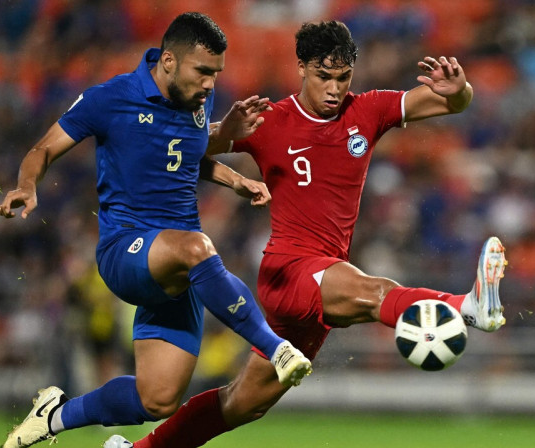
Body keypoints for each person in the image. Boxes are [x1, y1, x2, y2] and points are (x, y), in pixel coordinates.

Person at [110, 20, 508, 448]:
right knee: (375, 291)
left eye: (343, 78)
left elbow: (451, 103)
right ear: (301, 68)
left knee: (243, 403)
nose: (334, 89)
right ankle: (467, 307)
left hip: (322, 279)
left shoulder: (368, 109)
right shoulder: (270, 120)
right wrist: (226, 133)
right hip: (289, 271)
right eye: (323, 77)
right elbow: (183, 147)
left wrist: (460, 89)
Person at [0, 12, 312, 448]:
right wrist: (26, 187)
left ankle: (55, 415)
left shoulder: (196, 104)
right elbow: (43, 148)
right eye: (202, 71)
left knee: (157, 398)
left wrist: (234, 177)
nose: (209, 84)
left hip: (177, 266)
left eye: (215, 74)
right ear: (167, 61)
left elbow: (183, 155)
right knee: (200, 248)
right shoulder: (111, 98)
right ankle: (276, 349)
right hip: (125, 250)